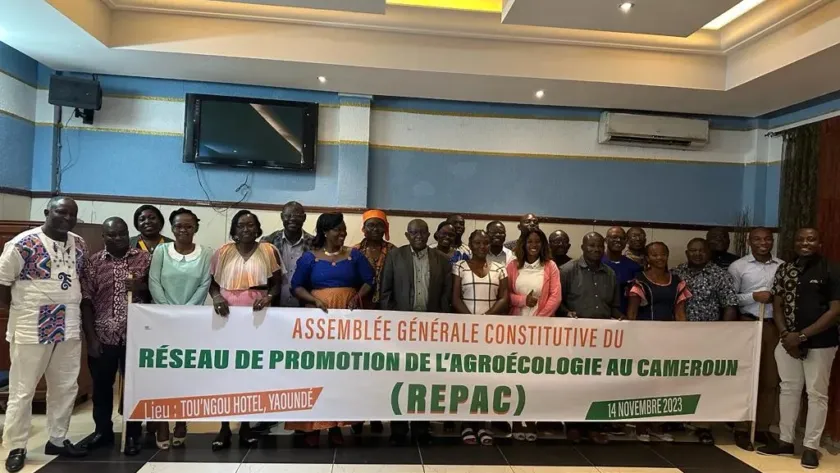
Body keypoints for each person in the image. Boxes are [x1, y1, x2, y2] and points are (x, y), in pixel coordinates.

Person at [0, 197, 88, 473]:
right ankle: (16, 446)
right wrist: (19, 309)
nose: (67, 218)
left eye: (72, 214)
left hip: (68, 324)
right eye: (61, 212)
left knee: (65, 386)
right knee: (22, 390)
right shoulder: (22, 244)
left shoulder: (79, 243)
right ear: (47, 212)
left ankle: (58, 439)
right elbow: (3, 283)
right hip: (31, 325)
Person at [287, 213, 375, 447]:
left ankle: (336, 425)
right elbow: (296, 286)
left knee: (341, 373)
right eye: (338, 229)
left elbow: (370, 280)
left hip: (347, 322)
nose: (342, 233)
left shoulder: (354, 256)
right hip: (318, 322)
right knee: (316, 372)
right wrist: (314, 300)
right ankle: (312, 427)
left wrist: (357, 297)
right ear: (325, 232)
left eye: (344, 229)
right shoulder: (310, 258)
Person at [758, 228, 840, 470]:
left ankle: (810, 447)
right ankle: (785, 441)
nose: (805, 243)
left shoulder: (831, 269)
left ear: (819, 243)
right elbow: (777, 304)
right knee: (788, 389)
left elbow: (835, 310)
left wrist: (802, 336)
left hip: (820, 342)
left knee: (816, 394)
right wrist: (786, 336)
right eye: (800, 239)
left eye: (811, 239)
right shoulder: (785, 269)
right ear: (794, 243)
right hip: (787, 342)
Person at [209, 210, 285, 451]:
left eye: (251, 225)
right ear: (234, 230)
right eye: (241, 225)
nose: (246, 229)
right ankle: (223, 427)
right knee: (226, 370)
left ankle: (245, 426)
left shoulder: (269, 250)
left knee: (250, 370)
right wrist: (216, 297)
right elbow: (212, 284)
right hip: (227, 316)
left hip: (257, 316)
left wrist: (269, 297)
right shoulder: (222, 252)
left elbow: (277, 284)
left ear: (258, 228)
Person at [80, 217, 151, 456]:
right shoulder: (93, 263)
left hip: (136, 336)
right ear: (103, 236)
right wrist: (91, 338)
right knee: (101, 388)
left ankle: (133, 433)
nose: (118, 238)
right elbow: (86, 301)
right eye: (112, 235)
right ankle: (102, 431)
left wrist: (141, 287)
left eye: (122, 233)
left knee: (134, 387)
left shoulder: (144, 259)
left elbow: (156, 292)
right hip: (103, 336)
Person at [379, 219, 451, 446]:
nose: (418, 236)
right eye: (413, 232)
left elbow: (445, 294)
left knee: (424, 380)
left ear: (429, 235)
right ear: (407, 235)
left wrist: (440, 321)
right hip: (401, 330)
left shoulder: (441, 259)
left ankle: (421, 429)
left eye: (422, 232)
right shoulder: (395, 256)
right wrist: (394, 322)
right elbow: (385, 292)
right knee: (399, 379)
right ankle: (398, 430)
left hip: (430, 330)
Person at [148, 208, 213, 448]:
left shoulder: (206, 253)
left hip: (191, 322)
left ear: (196, 228)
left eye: (188, 226)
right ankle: (162, 423)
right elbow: (154, 281)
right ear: (172, 228)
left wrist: (185, 313)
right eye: (178, 226)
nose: (183, 230)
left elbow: (205, 284)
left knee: (185, 373)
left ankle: (182, 420)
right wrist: (168, 311)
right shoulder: (161, 251)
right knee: (161, 373)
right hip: (161, 320)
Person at [673, 238, 738, 445]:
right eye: (693, 250)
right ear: (687, 253)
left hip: (709, 336)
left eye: (701, 250)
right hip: (679, 335)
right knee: (679, 376)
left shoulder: (720, 275)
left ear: (708, 252)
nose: (697, 254)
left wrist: (724, 333)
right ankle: (677, 420)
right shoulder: (677, 272)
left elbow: (729, 305)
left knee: (705, 380)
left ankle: (703, 425)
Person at [627, 242, 690, 443]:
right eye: (654, 255)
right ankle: (640, 426)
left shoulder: (677, 281)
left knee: (663, 383)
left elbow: (680, 313)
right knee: (643, 382)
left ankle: (657, 426)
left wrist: (685, 338)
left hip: (668, 339)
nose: (659, 258)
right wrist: (631, 340)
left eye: (663, 254)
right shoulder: (640, 281)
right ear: (647, 258)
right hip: (644, 339)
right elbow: (632, 314)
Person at [558, 232, 618, 444]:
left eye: (599, 246)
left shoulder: (610, 273)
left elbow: (614, 306)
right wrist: (567, 313)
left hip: (602, 339)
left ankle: (594, 426)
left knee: (598, 384)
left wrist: (620, 318)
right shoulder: (568, 270)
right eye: (591, 245)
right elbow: (557, 302)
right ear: (583, 247)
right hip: (574, 338)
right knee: (575, 384)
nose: (596, 249)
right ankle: (573, 425)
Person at [727, 228, 783, 451]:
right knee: (746, 378)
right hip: (747, 323)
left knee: (770, 380)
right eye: (757, 239)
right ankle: (741, 428)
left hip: (773, 326)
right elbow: (730, 298)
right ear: (750, 242)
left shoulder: (782, 266)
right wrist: (753, 296)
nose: (763, 243)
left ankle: (762, 427)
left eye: (767, 239)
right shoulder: (738, 267)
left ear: (772, 241)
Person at [452, 230, 509, 445]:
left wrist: (486, 320)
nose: (482, 246)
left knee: (487, 379)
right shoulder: (460, 266)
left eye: (485, 242)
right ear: (470, 244)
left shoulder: (499, 268)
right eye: (477, 243)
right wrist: (472, 322)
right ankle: (467, 424)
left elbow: (504, 297)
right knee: (467, 379)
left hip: (491, 331)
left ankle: (485, 425)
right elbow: (455, 298)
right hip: (466, 331)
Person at [505, 228, 560, 442]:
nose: (533, 245)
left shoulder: (550, 266)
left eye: (537, 241)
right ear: (523, 244)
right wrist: (522, 301)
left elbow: (555, 296)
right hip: (516, 328)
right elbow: (506, 295)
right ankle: (517, 420)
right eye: (530, 241)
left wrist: (538, 320)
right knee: (517, 375)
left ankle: (532, 419)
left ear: (543, 244)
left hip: (541, 329)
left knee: (535, 376)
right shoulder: (513, 266)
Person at [262, 201, 314, 307]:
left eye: (297, 215)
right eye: (288, 215)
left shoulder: (315, 243)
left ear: (304, 218)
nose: (293, 219)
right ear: (282, 217)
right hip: (274, 304)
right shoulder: (268, 242)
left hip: (305, 305)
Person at [354, 209, 397, 309]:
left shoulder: (394, 251)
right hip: (359, 302)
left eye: (380, 225)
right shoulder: (355, 251)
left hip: (387, 303)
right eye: (371, 225)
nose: (375, 229)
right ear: (364, 229)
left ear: (385, 228)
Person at [602, 226, 642, 315]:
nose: (618, 240)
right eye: (614, 237)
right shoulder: (597, 263)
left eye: (622, 238)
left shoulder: (634, 267)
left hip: (624, 317)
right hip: (600, 316)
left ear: (626, 241)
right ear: (606, 240)